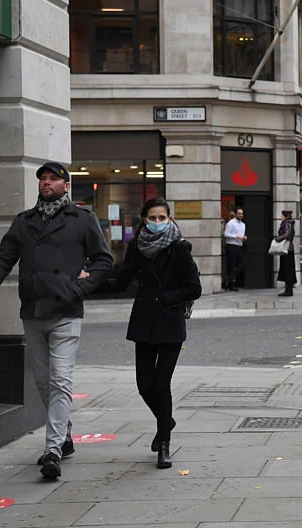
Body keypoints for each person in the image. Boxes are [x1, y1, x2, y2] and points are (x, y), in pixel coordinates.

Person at [0, 162, 113, 479]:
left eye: (53, 179)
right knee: (43, 382)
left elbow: (104, 261)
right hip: (33, 312)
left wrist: (79, 289)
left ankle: (53, 450)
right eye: (43, 179)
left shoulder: (82, 219)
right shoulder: (24, 222)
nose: (47, 183)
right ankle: (64, 435)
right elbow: (2, 258)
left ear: (66, 185)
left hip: (66, 311)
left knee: (60, 380)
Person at [97, 197, 201, 469]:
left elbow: (194, 288)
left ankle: (164, 444)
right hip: (144, 323)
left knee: (161, 384)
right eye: (152, 218)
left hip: (169, 323)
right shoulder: (137, 247)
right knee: (144, 385)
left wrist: (167, 299)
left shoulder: (179, 248)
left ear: (169, 219)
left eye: (161, 218)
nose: (157, 222)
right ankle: (166, 420)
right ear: (144, 219)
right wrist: (89, 283)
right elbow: (122, 281)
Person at [223, 208, 247, 291]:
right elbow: (226, 234)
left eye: (242, 214)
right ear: (236, 214)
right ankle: (231, 285)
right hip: (231, 246)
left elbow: (241, 235)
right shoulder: (231, 223)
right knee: (231, 265)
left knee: (242, 264)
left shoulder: (243, 224)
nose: (241, 215)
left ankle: (228, 280)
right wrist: (236, 236)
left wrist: (243, 238)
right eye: (239, 214)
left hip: (239, 246)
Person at [276, 209, 297, 296]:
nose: (281, 217)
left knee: (288, 269)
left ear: (285, 216)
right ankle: (288, 289)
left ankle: (288, 290)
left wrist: (278, 238)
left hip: (286, 249)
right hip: (288, 249)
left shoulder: (287, 223)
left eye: (282, 215)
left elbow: (287, 234)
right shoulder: (289, 223)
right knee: (288, 269)